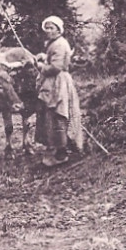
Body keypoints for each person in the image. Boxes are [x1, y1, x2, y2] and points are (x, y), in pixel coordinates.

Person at [35, 16, 83, 166]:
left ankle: (61, 152)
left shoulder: (61, 44)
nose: (48, 31)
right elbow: (53, 58)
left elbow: (56, 67)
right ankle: (55, 149)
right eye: (47, 28)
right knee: (50, 115)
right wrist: (45, 57)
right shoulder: (54, 43)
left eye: (51, 28)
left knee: (58, 114)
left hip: (59, 83)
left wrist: (41, 66)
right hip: (53, 82)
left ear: (58, 29)